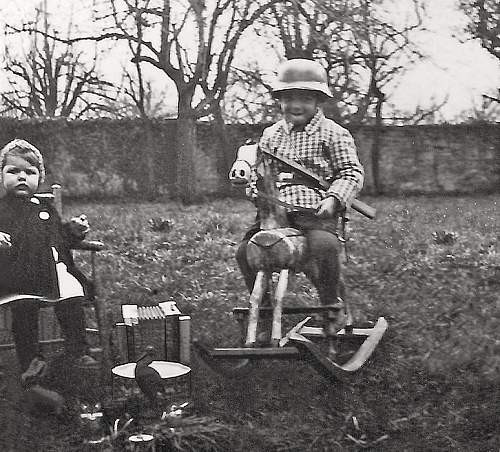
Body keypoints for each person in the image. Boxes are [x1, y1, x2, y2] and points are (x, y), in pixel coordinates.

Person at [235, 58, 365, 336]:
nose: (296, 105)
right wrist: (254, 190)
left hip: (314, 211)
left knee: (324, 246)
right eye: (289, 98)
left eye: (305, 99)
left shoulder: (334, 134)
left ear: (318, 100)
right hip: (275, 212)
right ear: (279, 100)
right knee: (244, 252)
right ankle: (265, 311)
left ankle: (331, 305)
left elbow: (351, 172)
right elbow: (262, 173)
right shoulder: (270, 135)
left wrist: (334, 199)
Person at [0, 138, 97, 381]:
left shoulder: (45, 208)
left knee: (72, 295)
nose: (22, 177)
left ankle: (77, 350)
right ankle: (31, 361)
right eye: (13, 171)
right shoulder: (1, 210)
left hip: (53, 271)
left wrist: (74, 230)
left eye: (30, 172)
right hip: (17, 274)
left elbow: (59, 238)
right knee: (25, 309)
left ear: (39, 178)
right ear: (1, 177)